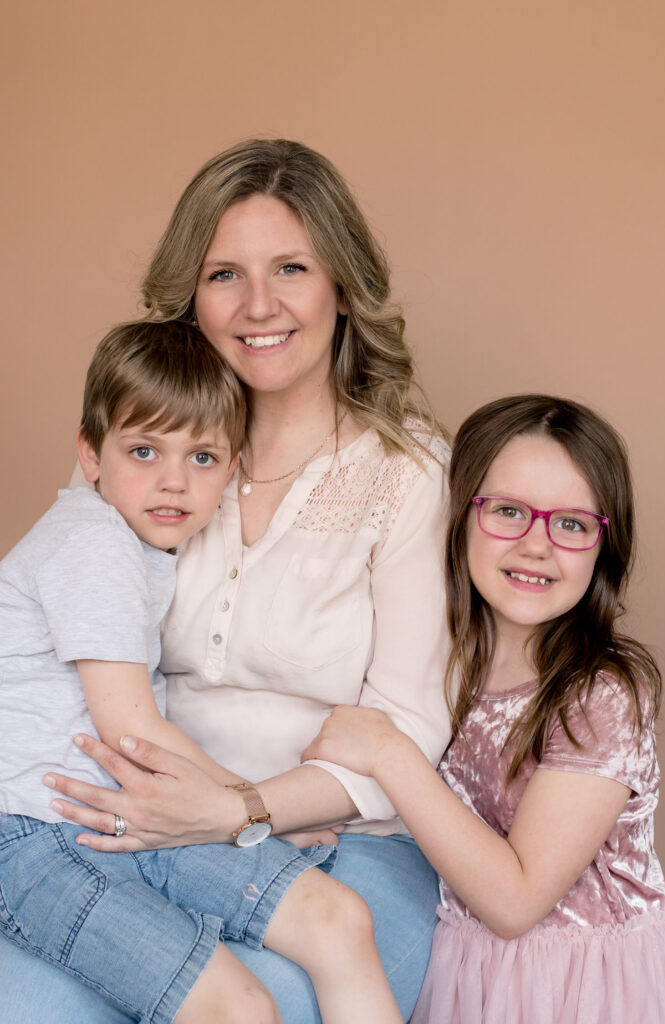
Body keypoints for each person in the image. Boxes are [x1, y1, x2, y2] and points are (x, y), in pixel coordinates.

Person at [0, 139, 452, 1023]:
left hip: (340, 836)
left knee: (263, 998)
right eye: (223, 275)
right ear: (188, 301)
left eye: (290, 267)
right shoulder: (152, 473)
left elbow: (410, 729)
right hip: (134, 819)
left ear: (341, 286)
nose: (258, 305)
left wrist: (242, 809)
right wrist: (178, 813)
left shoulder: (405, 472)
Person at [304, 394, 665, 1023]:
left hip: (580, 990)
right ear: (458, 519)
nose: (538, 544)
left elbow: (515, 900)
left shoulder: (600, 693)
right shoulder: (438, 662)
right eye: (507, 511)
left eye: (571, 523)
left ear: (602, 545)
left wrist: (388, 754)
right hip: (463, 968)